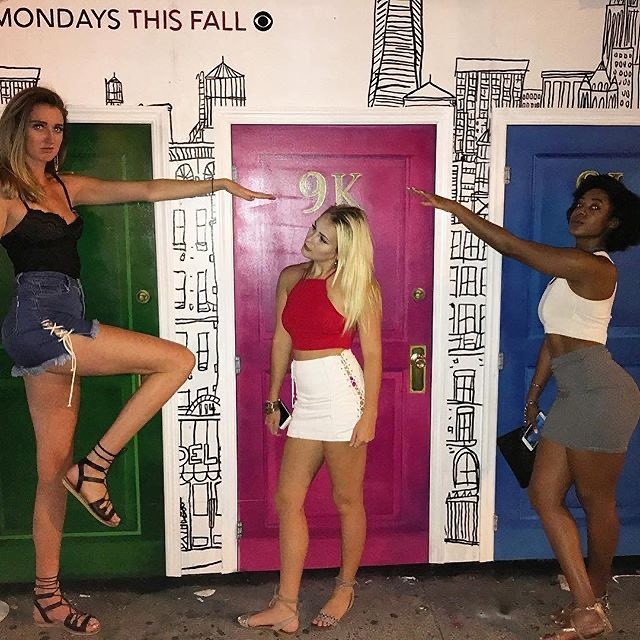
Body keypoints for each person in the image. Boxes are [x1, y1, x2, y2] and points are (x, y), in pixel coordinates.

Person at [0, 86, 274, 636]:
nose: (50, 137)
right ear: (17, 129)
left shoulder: (66, 186)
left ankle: (47, 599)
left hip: (67, 320)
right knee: (176, 360)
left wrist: (217, 184)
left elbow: (145, 189)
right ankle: (96, 469)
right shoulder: (6, 194)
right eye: (39, 126)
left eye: (57, 128)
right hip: (41, 323)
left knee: (51, 473)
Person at [410, 176, 640, 640]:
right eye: (580, 203)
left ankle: (594, 598)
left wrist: (456, 209)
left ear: (613, 222)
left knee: (597, 501)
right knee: (543, 495)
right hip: (574, 395)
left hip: (602, 395)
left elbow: (512, 247)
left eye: (595, 206)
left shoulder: (594, 267)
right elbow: (555, 340)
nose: (581, 210)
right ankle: (587, 603)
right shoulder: (569, 270)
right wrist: (534, 394)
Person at [237, 204, 382, 632]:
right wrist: (272, 397)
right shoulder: (291, 277)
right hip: (306, 401)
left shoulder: (359, 285)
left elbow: (374, 354)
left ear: (341, 250)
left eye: (322, 238)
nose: (309, 239)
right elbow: (282, 339)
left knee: (346, 499)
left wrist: (370, 413)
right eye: (313, 229)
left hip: (343, 396)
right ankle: (286, 605)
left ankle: (345, 587)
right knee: (287, 500)